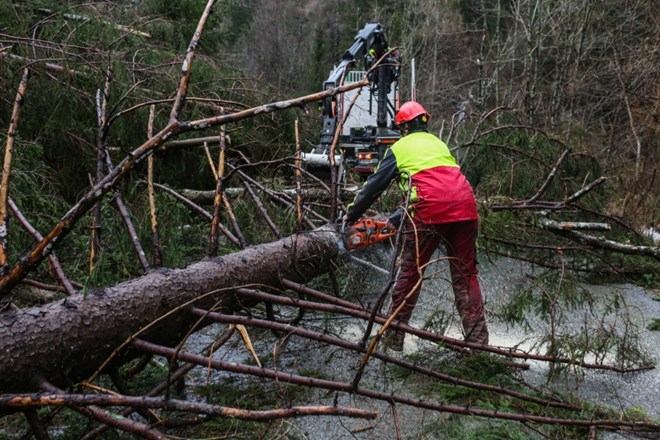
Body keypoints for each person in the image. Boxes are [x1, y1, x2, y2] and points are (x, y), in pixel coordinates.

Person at [343, 101, 489, 351]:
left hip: (430, 211)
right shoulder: (439, 145)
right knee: (466, 278)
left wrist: (350, 215)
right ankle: (478, 345)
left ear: (403, 128)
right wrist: (397, 219)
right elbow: (442, 188)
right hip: (466, 206)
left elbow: (374, 186)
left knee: (411, 273)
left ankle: (393, 339)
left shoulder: (400, 147)